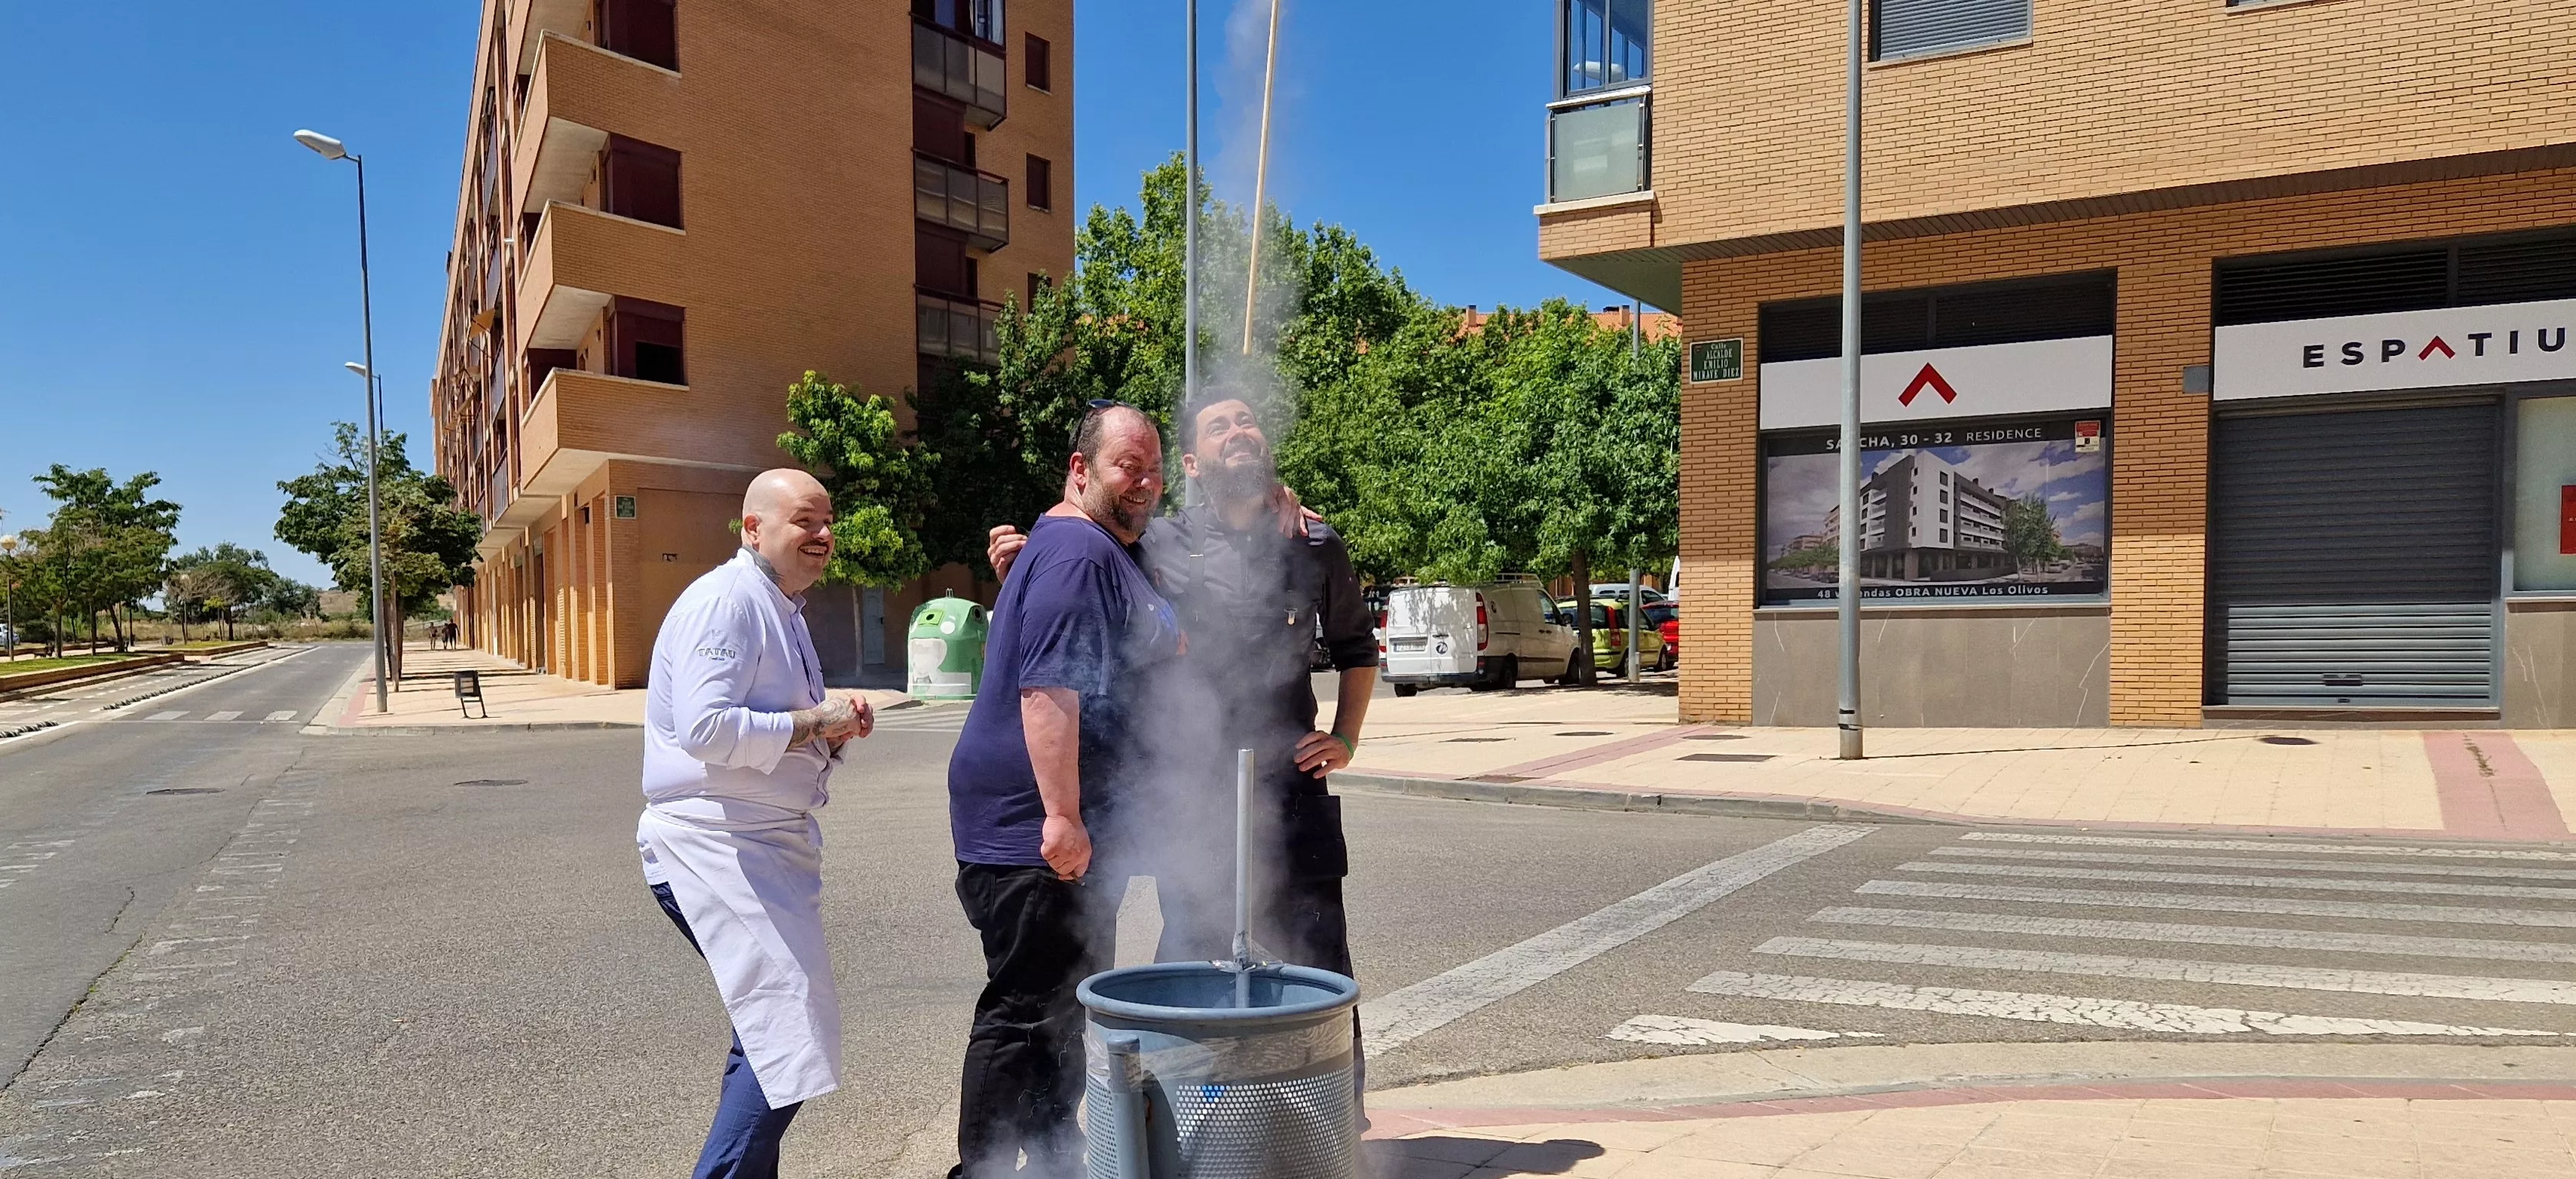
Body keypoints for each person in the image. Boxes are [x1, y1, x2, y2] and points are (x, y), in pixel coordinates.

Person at [987, 390, 1378, 1004]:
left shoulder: (1314, 541)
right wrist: (1025, 566)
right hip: (1192, 791)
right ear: (1192, 466)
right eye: (1218, 427)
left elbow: (1358, 649)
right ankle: (1192, 1096)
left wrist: (1346, 736)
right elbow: (1080, 551)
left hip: (1290, 785)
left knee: (1319, 962)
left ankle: (1332, 1099)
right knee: (1195, 958)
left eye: (1247, 421)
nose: (1238, 432)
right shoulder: (1151, 541)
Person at [945, 404, 1182, 1179]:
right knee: (1022, 1012)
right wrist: (1062, 817)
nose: (1143, 482)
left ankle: (1055, 1164)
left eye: (1153, 468)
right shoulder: (1081, 551)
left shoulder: (1081, 547)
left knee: (1057, 1010)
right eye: (1126, 466)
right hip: (1034, 829)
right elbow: (1050, 689)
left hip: (1061, 825)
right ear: (1080, 469)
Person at [636, 469, 873, 1179]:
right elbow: (705, 729)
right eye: (805, 521)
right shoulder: (729, 600)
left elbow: (762, 723)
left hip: (757, 843)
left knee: (771, 1033)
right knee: (786, 1027)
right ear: (753, 528)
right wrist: (815, 720)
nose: (823, 535)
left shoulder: (779, 606)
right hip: (716, 845)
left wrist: (825, 734)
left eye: (827, 521)